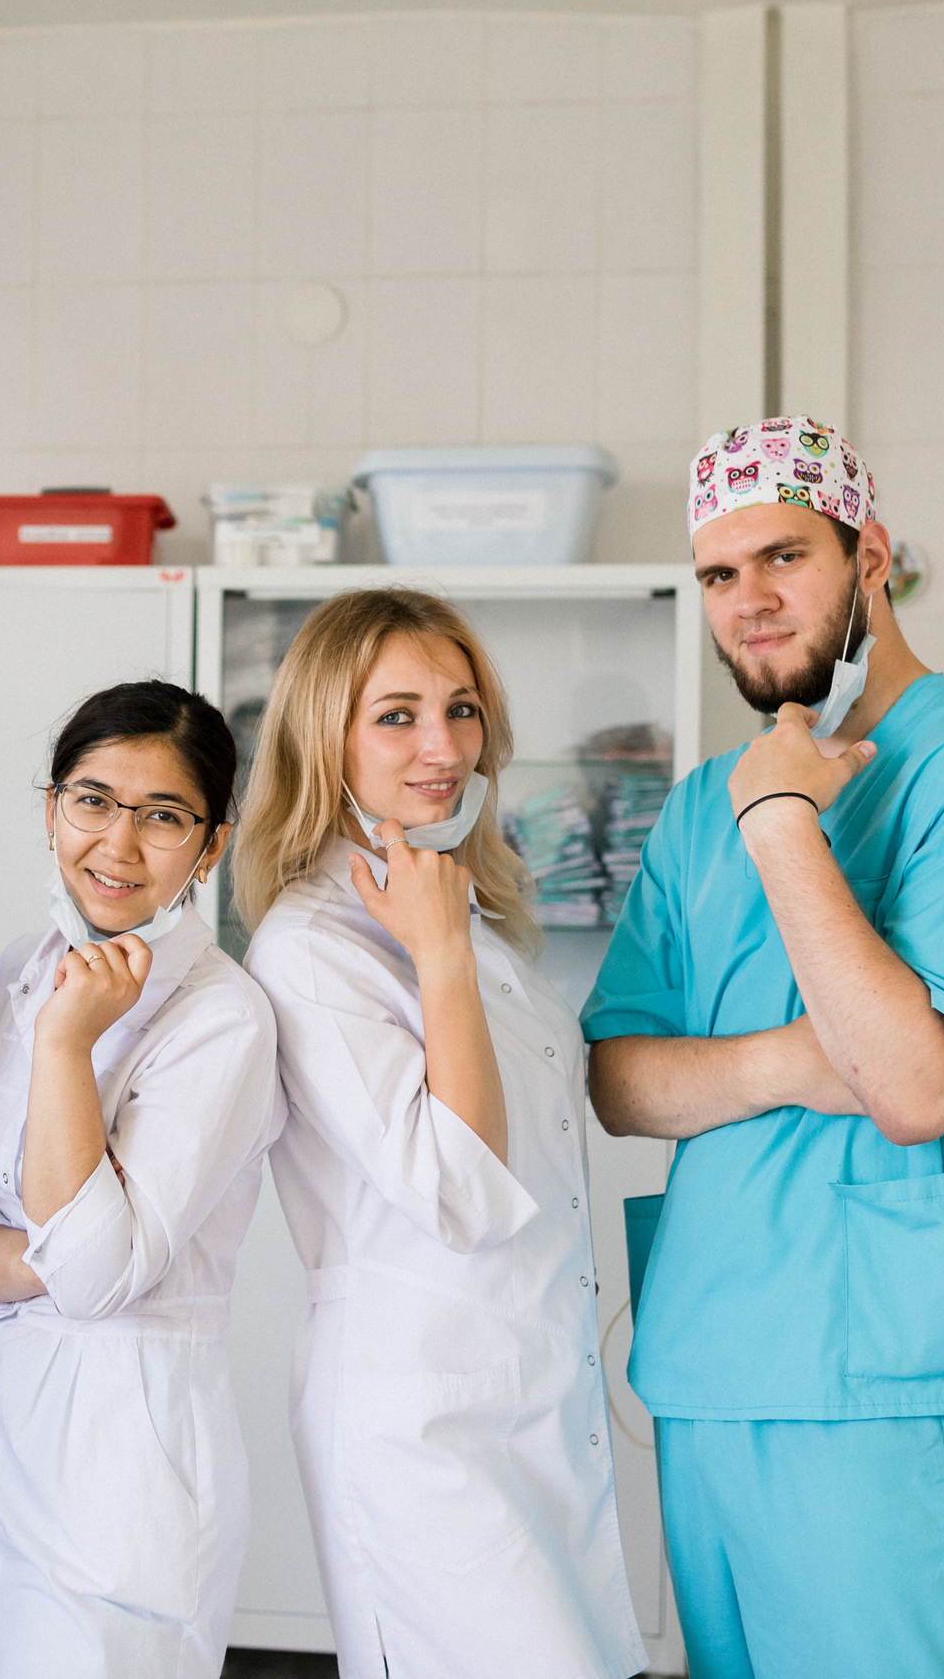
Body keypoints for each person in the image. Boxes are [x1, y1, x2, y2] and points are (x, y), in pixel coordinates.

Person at [583, 417, 944, 1679]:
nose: (746, 602)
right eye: (715, 574)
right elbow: (618, 1079)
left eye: (781, 557)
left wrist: (783, 827)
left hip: (890, 1371)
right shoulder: (700, 799)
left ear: (870, 554)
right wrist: (799, 1062)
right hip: (706, 1362)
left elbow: (916, 1086)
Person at [233, 589, 644, 1679]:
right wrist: (438, 951)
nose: (444, 746)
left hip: (532, 1393)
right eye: (398, 714)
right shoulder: (312, 943)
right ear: (326, 734)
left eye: (462, 710)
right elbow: (460, 1189)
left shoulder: (459, 913)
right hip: (424, 1422)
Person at [0, 680, 282, 1679]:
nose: (117, 845)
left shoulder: (222, 1018)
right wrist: (26, 1254)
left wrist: (66, 1046)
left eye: (163, 815)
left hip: (129, 1454)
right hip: (0, 1414)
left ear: (209, 846)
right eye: (90, 800)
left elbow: (93, 1279)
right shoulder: (24, 967)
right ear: (49, 810)